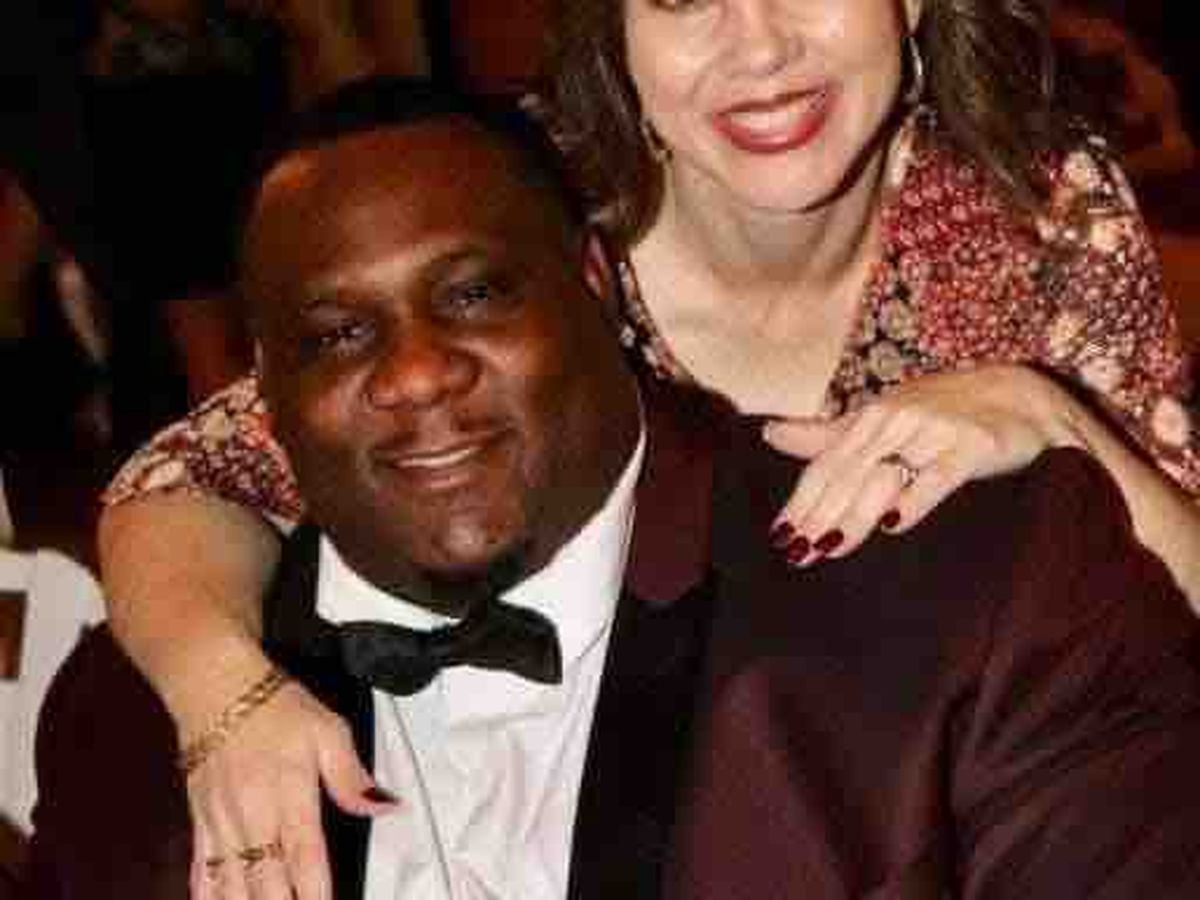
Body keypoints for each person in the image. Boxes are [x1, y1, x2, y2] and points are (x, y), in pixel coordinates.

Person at [98, 0, 1200, 895]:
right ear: (615, 36)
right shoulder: (519, 216)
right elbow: (180, 481)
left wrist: (1052, 415)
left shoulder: (1031, 203)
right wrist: (223, 697)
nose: (759, 45)